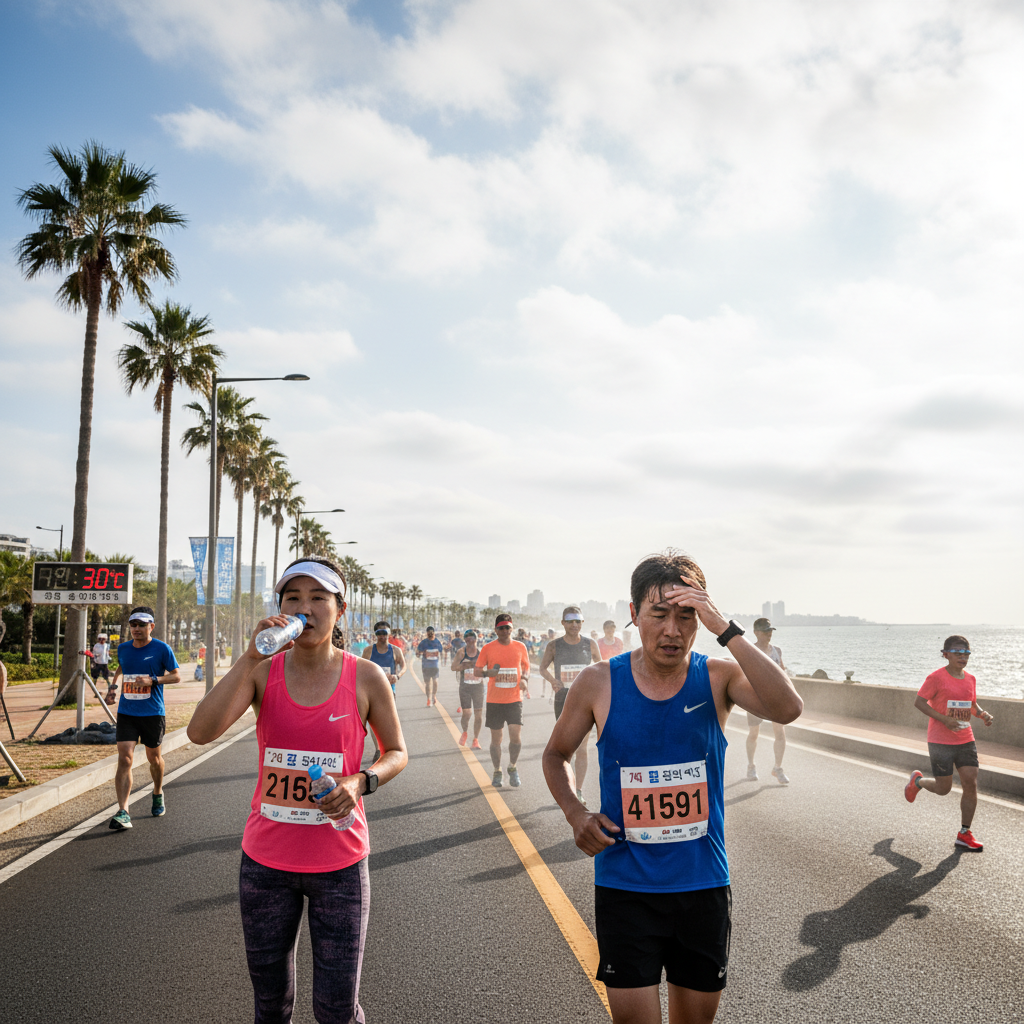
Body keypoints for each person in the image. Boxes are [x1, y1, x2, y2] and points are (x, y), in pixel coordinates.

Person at [542, 552, 802, 1024]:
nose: (672, 630)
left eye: (688, 616)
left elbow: (787, 708)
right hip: (626, 886)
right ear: (634, 613)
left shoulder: (718, 676)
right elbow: (555, 754)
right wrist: (576, 813)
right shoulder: (598, 682)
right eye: (659, 614)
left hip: (702, 885)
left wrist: (723, 626)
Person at [187, 557, 408, 1024]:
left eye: (317, 598)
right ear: (281, 609)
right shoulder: (263, 671)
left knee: (336, 1010)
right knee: (270, 1006)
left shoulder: (366, 676)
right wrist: (250, 657)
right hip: (265, 865)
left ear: (340, 610)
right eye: (293, 598)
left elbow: (397, 753)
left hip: (341, 866)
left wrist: (358, 781)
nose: (304, 607)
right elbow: (200, 733)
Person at [904, 635, 993, 851]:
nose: (963, 657)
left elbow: (971, 704)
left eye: (966, 653)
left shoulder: (970, 679)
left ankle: (964, 833)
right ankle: (918, 782)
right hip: (940, 741)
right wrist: (944, 719)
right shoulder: (936, 678)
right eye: (957, 652)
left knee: (970, 781)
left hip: (965, 738)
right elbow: (919, 702)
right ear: (946, 654)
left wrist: (982, 714)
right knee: (943, 789)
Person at [108, 608, 181, 829]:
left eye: (141, 625)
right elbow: (122, 666)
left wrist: (153, 681)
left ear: (151, 626)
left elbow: (176, 676)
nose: (136, 629)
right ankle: (123, 811)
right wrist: (113, 686)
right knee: (125, 759)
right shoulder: (123, 648)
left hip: (152, 713)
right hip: (127, 712)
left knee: (154, 759)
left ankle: (158, 791)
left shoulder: (162, 649)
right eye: (133, 625)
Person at [540, 606, 602, 805]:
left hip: (585, 699)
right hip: (563, 698)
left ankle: (578, 790)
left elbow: (601, 668)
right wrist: (552, 680)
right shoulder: (554, 646)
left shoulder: (590, 644)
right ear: (563, 623)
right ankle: (566, 790)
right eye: (570, 621)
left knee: (583, 745)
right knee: (567, 747)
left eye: (578, 621)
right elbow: (542, 668)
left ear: (582, 623)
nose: (574, 625)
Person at [479, 612, 531, 787]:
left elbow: (526, 667)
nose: (504, 631)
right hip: (494, 701)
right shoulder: (487, 648)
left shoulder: (520, 647)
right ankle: (497, 771)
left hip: (515, 699)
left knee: (516, 737)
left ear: (512, 628)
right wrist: (488, 673)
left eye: (507, 627)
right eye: (501, 628)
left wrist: (524, 679)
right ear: (495, 629)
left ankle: (512, 767)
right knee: (496, 740)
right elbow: (477, 671)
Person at [744, 618, 791, 785]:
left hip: (776, 699)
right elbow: (743, 675)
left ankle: (777, 768)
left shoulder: (777, 650)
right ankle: (751, 765)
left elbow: (783, 673)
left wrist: (789, 693)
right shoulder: (750, 650)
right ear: (756, 633)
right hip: (756, 699)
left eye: (770, 630)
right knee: (754, 733)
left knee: (780, 733)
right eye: (765, 631)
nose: (769, 633)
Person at [451, 629, 485, 748]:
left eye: (472, 639)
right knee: (467, 713)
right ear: (465, 640)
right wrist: (464, 665)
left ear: (476, 640)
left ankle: (475, 739)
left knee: (478, 715)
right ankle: (464, 732)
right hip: (465, 686)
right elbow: (453, 667)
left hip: (478, 687)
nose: (470, 641)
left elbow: (488, 667)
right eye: (468, 639)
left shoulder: (481, 653)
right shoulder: (461, 652)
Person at [361, 621, 407, 695]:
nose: (382, 636)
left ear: (389, 633)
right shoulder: (368, 651)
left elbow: (404, 666)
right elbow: (361, 669)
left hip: (390, 689)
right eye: (379, 633)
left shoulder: (396, 650)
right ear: (376, 634)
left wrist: (397, 676)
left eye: (385, 632)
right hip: (372, 690)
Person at [417, 626, 444, 706]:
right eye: (429, 633)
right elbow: (418, 653)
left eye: (432, 633)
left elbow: (441, 651)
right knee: (428, 683)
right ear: (427, 633)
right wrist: (423, 653)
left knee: (435, 682)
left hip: (435, 665)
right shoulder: (423, 642)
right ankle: (428, 699)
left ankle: (434, 696)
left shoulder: (437, 642)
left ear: (434, 633)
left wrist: (441, 659)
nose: (431, 634)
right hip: (426, 665)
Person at [538, 628, 557, 698]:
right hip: (548, 661)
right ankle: (544, 692)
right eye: (549, 633)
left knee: (554, 677)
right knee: (545, 677)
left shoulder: (557, 641)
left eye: (551, 633)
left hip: (554, 662)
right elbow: (541, 649)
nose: (550, 634)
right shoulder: (545, 641)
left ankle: (553, 693)